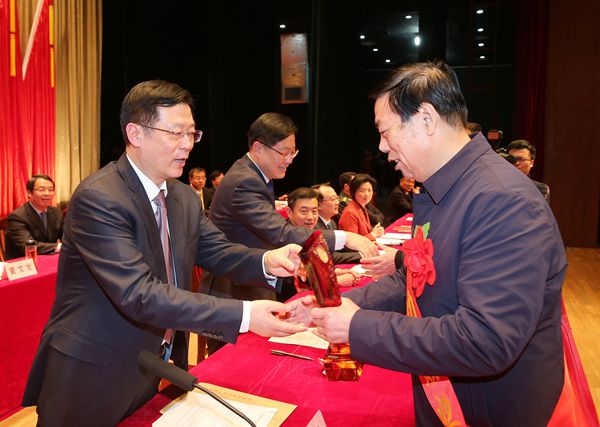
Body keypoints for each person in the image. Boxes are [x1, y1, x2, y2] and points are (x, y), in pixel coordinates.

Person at [288, 61, 566, 426]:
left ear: (426, 119)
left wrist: (357, 328)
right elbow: (416, 279)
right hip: (446, 391)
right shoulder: (445, 190)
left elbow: (485, 340)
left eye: (385, 132)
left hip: (488, 408)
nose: (383, 148)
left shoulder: (502, 200)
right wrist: (338, 305)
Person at [22, 80, 307, 427]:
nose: (187, 144)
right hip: (95, 371)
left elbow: (217, 251)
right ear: (135, 134)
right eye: (175, 133)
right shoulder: (100, 197)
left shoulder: (182, 196)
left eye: (191, 134)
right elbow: (138, 293)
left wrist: (267, 261)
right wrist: (245, 315)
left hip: (156, 363)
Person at [201, 112, 378, 352]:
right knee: (232, 361)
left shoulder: (255, 174)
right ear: (258, 148)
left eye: (293, 152)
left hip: (248, 280)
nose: (290, 160)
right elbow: (280, 233)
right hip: (233, 287)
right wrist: (345, 237)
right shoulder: (245, 181)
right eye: (284, 152)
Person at [5, 174, 64, 259]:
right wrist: (60, 246)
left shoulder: (57, 213)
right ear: (29, 193)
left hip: (49, 258)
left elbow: (67, 237)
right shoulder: (17, 217)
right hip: (23, 262)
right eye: (41, 190)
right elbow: (29, 246)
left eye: (51, 190)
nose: (47, 193)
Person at [338, 173, 385, 240]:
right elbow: (353, 241)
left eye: (369, 190)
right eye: (362, 191)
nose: (367, 194)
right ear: (353, 192)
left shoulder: (362, 206)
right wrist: (373, 234)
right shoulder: (350, 212)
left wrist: (374, 231)